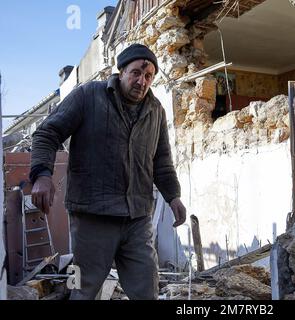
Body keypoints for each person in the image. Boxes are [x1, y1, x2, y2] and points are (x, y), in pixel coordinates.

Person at [29, 43, 187, 300]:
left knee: (147, 290)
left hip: (137, 219)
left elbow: (162, 161)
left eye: (148, 76)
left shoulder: (155, 110)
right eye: (136, 72)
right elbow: (47, 133)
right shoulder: (88, 96)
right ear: (121, 71)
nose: (142, 81)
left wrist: (174, 196)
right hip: (93, 217)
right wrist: (42, 174)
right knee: (82, 290)